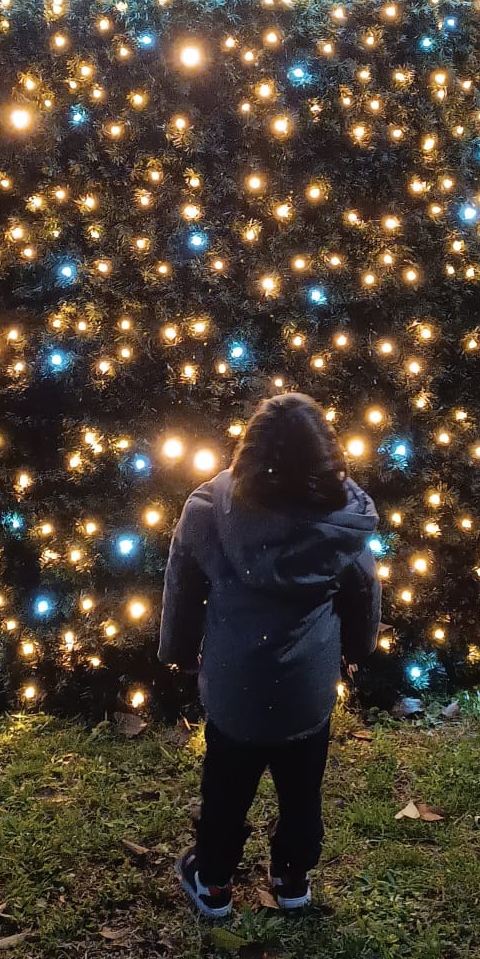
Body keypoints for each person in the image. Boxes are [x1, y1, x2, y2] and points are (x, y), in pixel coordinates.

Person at [158, 392, 380, 919]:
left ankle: (212, 883)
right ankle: (292, 880)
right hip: (306, 691)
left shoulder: (210, 511)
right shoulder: (342, 522)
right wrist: (357, 650)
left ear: (251, 451)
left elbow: (182, 587)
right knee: (303, 793)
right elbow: (364, 592)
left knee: (225, 792)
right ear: (327, 456)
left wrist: (181, 651)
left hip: (236, 689)